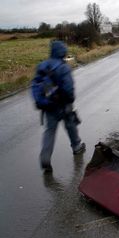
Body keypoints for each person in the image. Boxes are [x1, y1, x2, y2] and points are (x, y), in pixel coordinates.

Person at [32, 40, 85, 172]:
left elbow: (35, 84)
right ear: (62, 52)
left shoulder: (42, 66)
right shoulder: (63, 67)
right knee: (71, 126)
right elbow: (68, 88)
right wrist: (70, 100)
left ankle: (45, 157)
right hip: (63, 105)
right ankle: (77, 147)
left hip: (48, 107)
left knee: (49, 132)